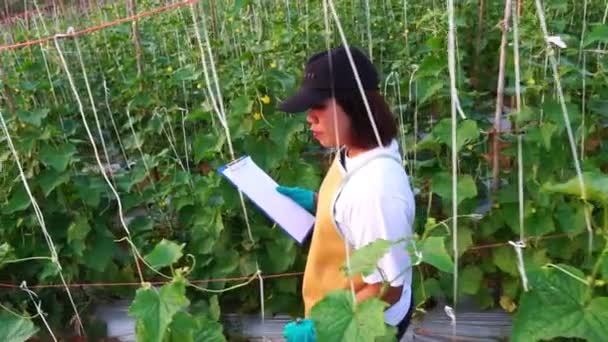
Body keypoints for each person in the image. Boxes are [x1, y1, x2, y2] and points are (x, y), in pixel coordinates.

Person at [276, 46, 416, 340]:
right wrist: (319, 203)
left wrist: (325, 328)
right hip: (343, 307)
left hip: (364, 327)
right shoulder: (355, 150)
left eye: (319, 107)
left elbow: (389, 286)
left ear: (355, 105)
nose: (309, 119)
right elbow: (356, 220)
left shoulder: (376, 191)